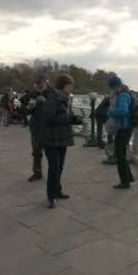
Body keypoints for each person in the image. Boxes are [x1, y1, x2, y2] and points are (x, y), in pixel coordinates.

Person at [40, 74, 82, 208]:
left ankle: (57, 191)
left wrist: (73, 118)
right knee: (54, 167)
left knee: (60, 166)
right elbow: (49, 119)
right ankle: (51, 196)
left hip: (61, 138)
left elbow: (63, 116)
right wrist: (69, 119)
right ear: (62, 85)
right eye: (70, 85)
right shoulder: (53, 98)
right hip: (50, 139)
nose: (71, 88)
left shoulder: (64, 98)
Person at [107, 77, 135, 189]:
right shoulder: (127, 94)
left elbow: (123, 110)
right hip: (126, 128)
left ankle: (125, 182)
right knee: (121, 154)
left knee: (120, 156)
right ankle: (128, 178)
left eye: (112, 88)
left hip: (123, 129)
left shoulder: (123, 95)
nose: (113, 90)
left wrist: (110, 112)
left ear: (115, 86)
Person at [26, 76, 51, 182]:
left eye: (44, 83)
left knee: (51, 151)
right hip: (35, 126)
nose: (41, 85)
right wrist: (30, 107)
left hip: (48, 127)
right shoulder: (31, 94)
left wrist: (45, 101)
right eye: (39, 84)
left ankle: (53, 172)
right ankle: (37, 172)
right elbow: (26, 110)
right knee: (36, 150)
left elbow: (55, 107)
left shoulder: (51, 94)